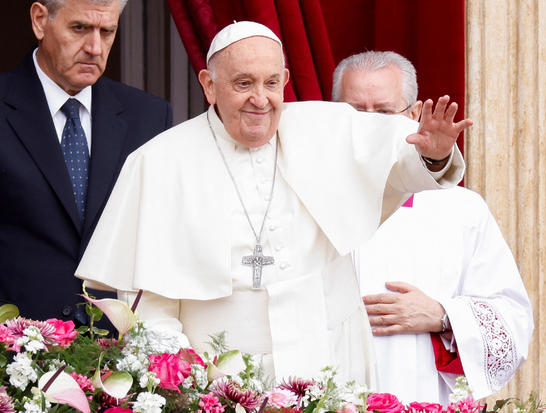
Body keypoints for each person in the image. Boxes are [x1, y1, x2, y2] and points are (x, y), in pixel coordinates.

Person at [75, 21, 472, 386]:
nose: (260, 99)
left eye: (270, 83)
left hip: (327, 362)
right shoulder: (159, 162)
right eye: (243, 83)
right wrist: (182, 383)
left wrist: (434, 155)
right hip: (218, 377)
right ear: (209, 85)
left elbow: (396, 166)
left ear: (284, 80)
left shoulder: (326, 129)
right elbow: (150, 304)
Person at [333, 50, 533, 402]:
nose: (368, 123)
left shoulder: (461, 209)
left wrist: (442, 315)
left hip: (422, 396)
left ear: (412, 115)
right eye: (355, 111)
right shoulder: (307, 198)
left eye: (383, 111)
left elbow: (513, 321)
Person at [0, 0, 172, 324]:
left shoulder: (149, 118)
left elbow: (163, 243)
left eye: (107, 32)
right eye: (79, 28)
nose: (94, 47)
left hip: (120, 356)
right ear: (40, 21)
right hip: (13, 354)